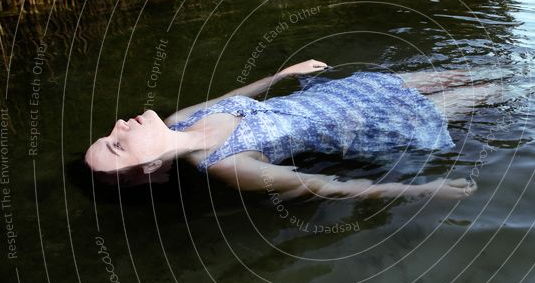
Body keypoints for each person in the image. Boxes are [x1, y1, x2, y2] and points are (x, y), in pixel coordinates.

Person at [84, 60, 499, 199]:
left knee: (471, 71)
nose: (119, 124)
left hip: (351, 91)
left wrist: (284, 74)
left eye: (109, 132)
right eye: (117, 144)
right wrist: (424, 190)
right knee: (498, 91)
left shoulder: (179, 120)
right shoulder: (225, 166)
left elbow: (235, 94)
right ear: (152, 164)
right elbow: (328, 186)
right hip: (369, 122)